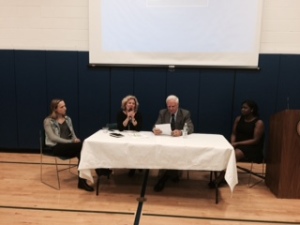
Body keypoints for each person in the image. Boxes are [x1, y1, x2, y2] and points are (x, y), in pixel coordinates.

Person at [43, 99, 94, 192]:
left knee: (82, 150)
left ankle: (82, 182)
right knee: (83, 147)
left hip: (68, 146)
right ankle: (94, 174)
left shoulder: (68, 119)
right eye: (62, 107)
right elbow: (53, 138)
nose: (65, 108)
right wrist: (70, 141)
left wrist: (75, 139)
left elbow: (72, 133)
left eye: (65, 106)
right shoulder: (48, 121)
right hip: (56, 147)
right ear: (55, 109)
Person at [212, 99, 265, 187]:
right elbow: (233, 133)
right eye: (242, 108)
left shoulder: (259, 122)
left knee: (233, 155)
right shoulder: (238, 119)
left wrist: (237, 144)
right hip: (238, 145)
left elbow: (255, 140)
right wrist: (232, 142)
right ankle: (224, 176)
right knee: (226, 152)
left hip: (252, 148)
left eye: (245, 108)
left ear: (252, 110)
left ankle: (220, 179)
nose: (242, 109)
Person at [152, 95, 194, 192]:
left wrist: (180, 132)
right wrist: (155, 130)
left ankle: (164, 177)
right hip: (166, 141)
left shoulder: (185, 113)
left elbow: (191, 128)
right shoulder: (162, 113)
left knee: (176, 154)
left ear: (178, 105)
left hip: (179, 142)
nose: (171, 109)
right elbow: (155, 125)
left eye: (173, 106)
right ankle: (173, 174)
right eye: (169, 106)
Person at [116, 95, 143, 177]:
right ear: (125, 104)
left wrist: (133, 118)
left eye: (133, 103)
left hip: (134, 137)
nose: (131, 105)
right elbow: (120, 128)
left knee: (136, 148)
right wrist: (128, 118)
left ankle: (134, 167)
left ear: (135, 105)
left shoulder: (138, 114)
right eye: (129, 103)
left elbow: (138, 128)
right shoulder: (120, 114)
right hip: (123, 137)